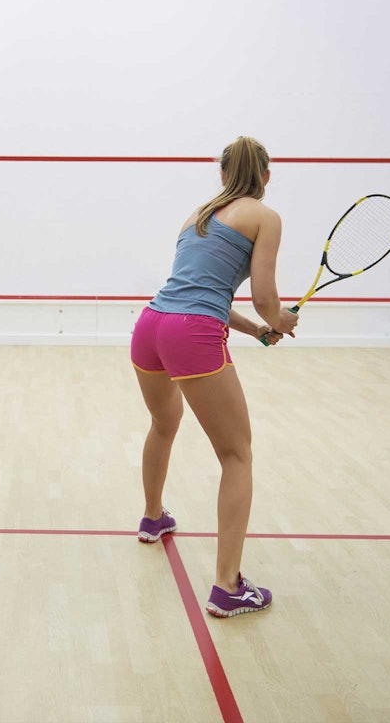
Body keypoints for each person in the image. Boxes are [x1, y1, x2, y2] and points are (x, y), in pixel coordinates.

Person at [130, 135, 298, 616]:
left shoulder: (197, 216)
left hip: (151, 325)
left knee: (164, 424)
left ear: (223, 174)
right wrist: (279, 319)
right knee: (237, 454)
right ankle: (228, 586)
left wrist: (256, 330)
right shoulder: (265, 217)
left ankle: (153, 518)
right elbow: (264, 297)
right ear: (266, 175)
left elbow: (198, 292)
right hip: (191, 333)